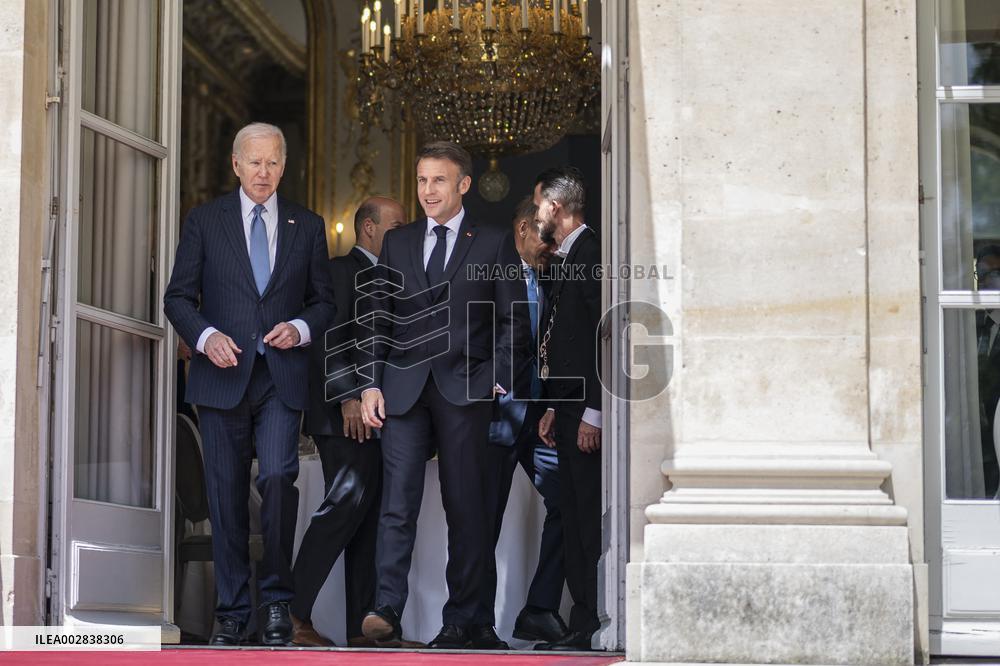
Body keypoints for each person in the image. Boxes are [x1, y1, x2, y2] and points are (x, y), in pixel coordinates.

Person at [163, 122, 334, 646]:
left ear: (284, 166)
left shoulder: (307, 225)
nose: (264, 172)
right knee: (226, 493)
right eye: (254, 162)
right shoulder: (205, 220)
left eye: (273, 163)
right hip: (221, 376)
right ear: (235, 165)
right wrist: (206, 334)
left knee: (280, 478)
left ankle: (278, 602)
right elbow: (177, 298)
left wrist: (301, 327)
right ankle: (234, 611)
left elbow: (324, 301)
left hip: (279, 377)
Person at [359, 141, 525, 649]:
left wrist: (495, 377)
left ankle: (462, 619)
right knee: (397, 504)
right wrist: (369, 381)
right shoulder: (399, 242)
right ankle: (386, 609)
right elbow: (376, 317)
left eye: (438, 181)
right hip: (403, 389)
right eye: (422, 180)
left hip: (465, 389)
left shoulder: (493, 242)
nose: (428, 190)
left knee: (465, 506)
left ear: (463, 186)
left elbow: (514, 318)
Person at [290, 197, 406, 647]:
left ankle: (365, 629)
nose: (404, 233)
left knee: (366, 517)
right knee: (344, 505)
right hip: (344, 413)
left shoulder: (391, 276)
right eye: (397, 226)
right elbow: (329, 334)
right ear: (370, 228)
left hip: (376, 415)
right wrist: (348, 397)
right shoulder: (340, 270)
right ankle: (292, 612)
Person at [479, 197, 569, 644]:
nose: (551, 246)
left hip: (538, 419)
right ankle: (477, 625)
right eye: (546, 236)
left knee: (570, 503)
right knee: (483, 524)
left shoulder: (551, 279)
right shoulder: (491, 271)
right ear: (521, 229)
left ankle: (539, 607)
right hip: (495, 416)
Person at [533, 166, 603, 651]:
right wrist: (557, 407)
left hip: (588, 413)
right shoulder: (567, 255)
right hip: (569, 407)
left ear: (554, 208)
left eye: (538, 205)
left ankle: (591, 620)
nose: (536, 214)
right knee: (574, 513)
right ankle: (580, 621)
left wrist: (593, 412)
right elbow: (565, 340)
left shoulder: (592, 252)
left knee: (584, 518)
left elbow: (604, 338)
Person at [977, 244, 1000, 497]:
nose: (984, 282)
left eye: (992, 274)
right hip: (977, 431)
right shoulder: (967, 322)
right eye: (980, 275)